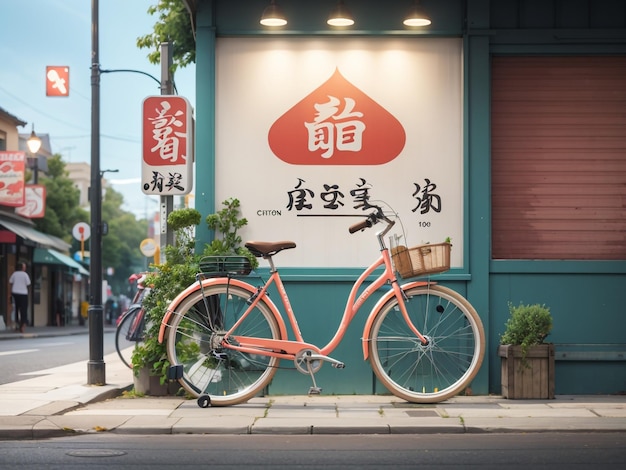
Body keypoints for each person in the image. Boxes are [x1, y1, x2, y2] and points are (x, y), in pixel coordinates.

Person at [9, 262, 31, 333]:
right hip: (23, 294)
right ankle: (23, 324)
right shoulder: (25, 275)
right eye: (24, 267)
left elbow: (10, 282)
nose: (25, 268)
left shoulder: (14, 274)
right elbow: (28, 283)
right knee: (23, 309)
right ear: (22, 268)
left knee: (16, 309)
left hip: (15, 293)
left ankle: (16, 323)